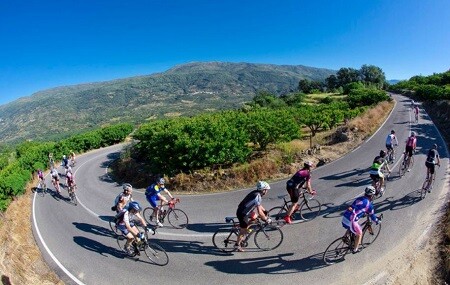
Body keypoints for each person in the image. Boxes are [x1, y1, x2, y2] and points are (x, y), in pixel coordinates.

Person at [341, 186, 381, 254]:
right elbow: (373, 217)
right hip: (351, 221)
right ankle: (355, 249)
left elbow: (356, 208)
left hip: (344, 217)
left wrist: (363, 213)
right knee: (359, 233)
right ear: (371, 196)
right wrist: (377, 221)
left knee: (353, 226)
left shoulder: (359, 198)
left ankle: (345, 237)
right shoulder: (369, 205)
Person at [235, 181, 272, 252]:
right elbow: (260, 212)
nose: (267, 191)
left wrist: (265, 211)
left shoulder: (256, 193)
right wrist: (266, 219)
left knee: (255, 217)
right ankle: (237, 245)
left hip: (245, 211)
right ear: (263, 190)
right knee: (243, 231)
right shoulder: (257, 196)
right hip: (243, 213)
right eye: (266, 190)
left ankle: (244, 227)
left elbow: (259, 205)